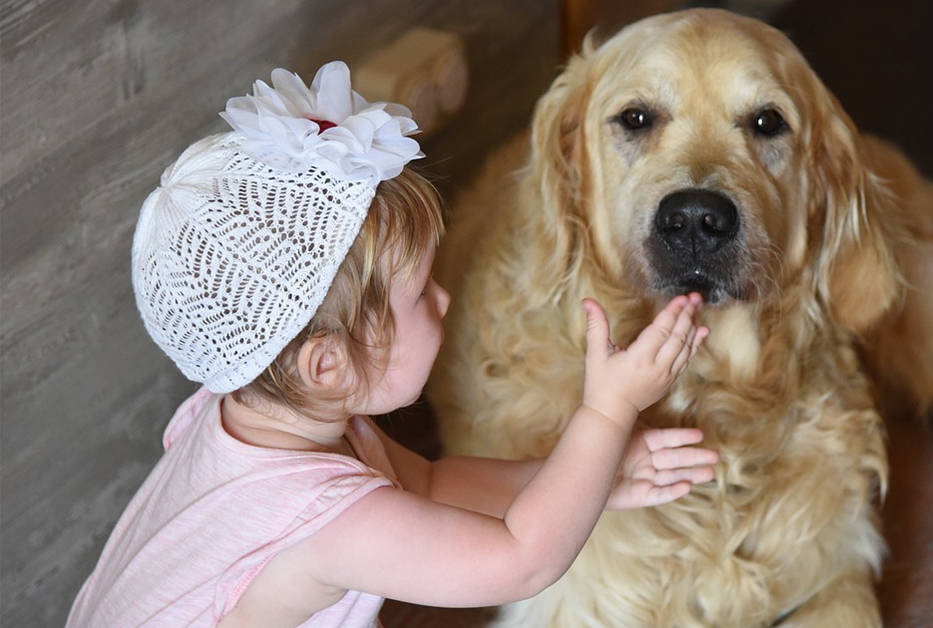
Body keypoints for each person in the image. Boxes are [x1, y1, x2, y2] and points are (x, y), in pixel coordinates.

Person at [67, 60, 714, 627]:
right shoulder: (330, 527)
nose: (445, 299)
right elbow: (520, 560)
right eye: (422, 292)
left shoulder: (257, 411)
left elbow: (430, 487)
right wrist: (605, 413)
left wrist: (595, 475)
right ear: (326, 363)